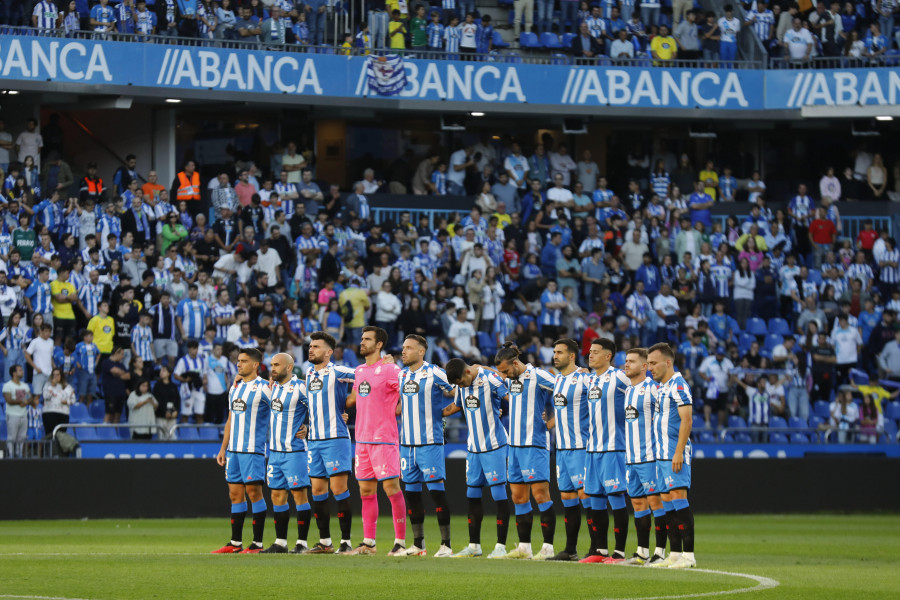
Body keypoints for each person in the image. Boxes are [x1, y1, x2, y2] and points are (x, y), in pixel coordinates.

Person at [344, 326, 406, 556]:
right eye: (361, 338)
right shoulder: (359, 371)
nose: (362, 342)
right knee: (366, 492)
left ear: (379, 344)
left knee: (391, 488)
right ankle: (369, 543)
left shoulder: (391, 370)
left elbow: (407, 393)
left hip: (384, 439)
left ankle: (400, 543)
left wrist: (396, 409)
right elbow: (356, 398)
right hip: (361, 440)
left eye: (367, 339)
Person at [494, 342, 557, 560]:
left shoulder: (538, 375)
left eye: (505, 371)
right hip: (515, 446)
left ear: (515, 363)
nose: (503, 375)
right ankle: (524, 547)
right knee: (519, 497)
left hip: (535, 445)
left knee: (540, 495)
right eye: (500, 372)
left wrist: (550, 422)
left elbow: (565, 389)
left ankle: (548, 547)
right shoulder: (511, 378)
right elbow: (487, 371)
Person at [443, 358, 511, 559]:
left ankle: (500, 546)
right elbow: (456, 406)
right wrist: (436, 415)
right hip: (473, 449)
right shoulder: (461, 385)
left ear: (467, 373)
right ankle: (474, 546)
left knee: (499, 497)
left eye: (461, 383)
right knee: (472, 496)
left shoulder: (489, 378)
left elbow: (511, 398)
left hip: (494, 446)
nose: (461, 387)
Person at [398, 334, 455, 557]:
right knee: (411, 494)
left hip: (430, 442)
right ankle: (418, 544)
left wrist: (449, 411)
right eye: (403, 347)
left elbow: (458, 389)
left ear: (421, 352)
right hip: (407, 445)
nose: (404, 351)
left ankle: (446, 545)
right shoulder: (402, 375)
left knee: (436, 493)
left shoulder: (435, 372)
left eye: (409, 348)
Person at [212, 348, 271, 554]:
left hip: (252, 450)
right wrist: (223, 448)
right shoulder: (235, 387)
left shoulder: (265, 388)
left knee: (254, 492)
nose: (239, 364)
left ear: (255, 365)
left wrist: (302, 427)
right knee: (235, 494)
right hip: (233, 452)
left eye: (244, 361)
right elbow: (230, 420)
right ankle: (235, 543)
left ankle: (257, 543)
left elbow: (284, 407)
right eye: (238, 360)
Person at [304, 331, 356, 554]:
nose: (311, 349)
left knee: (338, 489)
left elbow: (365, 376)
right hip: (314, 440)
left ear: (328, 352)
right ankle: (325, 542)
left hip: (335, 438)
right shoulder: (308, 374)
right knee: (317, 490)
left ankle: (346, 542)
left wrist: (349, 404)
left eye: (316, 346)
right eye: (311, 345)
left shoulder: (339, 371)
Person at [580, 338, 630, 563]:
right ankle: (600, 551)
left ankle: (619, 553)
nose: (591, 355)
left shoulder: (619, 376)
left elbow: (642, 389)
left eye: (596, 352)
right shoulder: (590, 380)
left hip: (614, 448)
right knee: (596, 500)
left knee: (616, 497)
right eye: (590, 352)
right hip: (592, 450)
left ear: (608, 356)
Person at [646, 343, 696, 569]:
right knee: (667, 504)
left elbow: (687, 420)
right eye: (648, 364)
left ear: (668, 362)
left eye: (654, 363)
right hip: (661, 455)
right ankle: (674, 554)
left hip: (674, 454)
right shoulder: (662, 387)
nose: (650, 368)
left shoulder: (679, 385)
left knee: (679, 500)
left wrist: (678, 452)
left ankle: (689, 556)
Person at [260, 352, 313, 554]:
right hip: (274, 452)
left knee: (299, 495)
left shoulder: (300, 386)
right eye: (271, 364)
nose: (272, 368)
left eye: (276, 365)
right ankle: (280, 542)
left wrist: (308, 428)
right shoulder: (272, 387)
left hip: (295, 451)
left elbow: (318, 408)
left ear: (289, 367)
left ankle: (302, 542)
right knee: (277, 495)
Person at [621, 347, 667, 565]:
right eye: (626, 361)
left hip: (649, 457)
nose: (626, 364)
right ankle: (642, 552)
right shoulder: (628, 390)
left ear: (644, 366)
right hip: (631, 459)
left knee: (656, 503)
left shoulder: (653, 389)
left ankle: (660, 552)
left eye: (631, 361)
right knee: (638, 505)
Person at [547, 338, 590, 561]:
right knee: (567, 497)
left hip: (580, 447)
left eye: (560, 352)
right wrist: (549, 423)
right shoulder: (557, 380)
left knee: (587, 496)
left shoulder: (585, 377)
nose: (555, 355)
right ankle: (570, 550)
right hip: (561, 449)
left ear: (572, 356)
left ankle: (597, 549)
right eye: (554, 351)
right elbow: (563, 409)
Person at [3, 365, 31, 458]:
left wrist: (25, 401)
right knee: (12, 437)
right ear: (14, 373)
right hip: (12, 415)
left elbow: (29, 397)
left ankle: (19, 455)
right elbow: (9, 400)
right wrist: (21, 401)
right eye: (20, 370)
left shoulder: (25, 385)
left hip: (23, 415)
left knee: (22, 437)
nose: (22, 371)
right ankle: (11, 455)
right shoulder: (7, 385)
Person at [25, 324, 55, 406]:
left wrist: (54, 368)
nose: (48, 334)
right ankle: (35, 414)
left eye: (49, 332)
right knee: (37, 395)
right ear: (40, 331)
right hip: (39, 372)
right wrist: (35, 367)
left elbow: (50, 357)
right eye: (46, 331)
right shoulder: (35, 342)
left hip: (49, 372)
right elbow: (27, 355)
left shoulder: (51, 342)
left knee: (49, 395)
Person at [100, 346, 131, 426]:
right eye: (121, 354)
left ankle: (115, 435)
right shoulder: (106, 362)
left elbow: (128, 376)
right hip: (110, 393)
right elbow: (115, 371)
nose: (123, 356)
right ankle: (105, 433)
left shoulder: (121, 365)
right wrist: (120, 374)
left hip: (120, 393)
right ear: (116, 353)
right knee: (109, 414)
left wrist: (118, 374)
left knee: (118, 415)